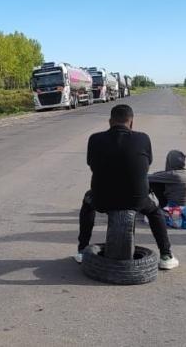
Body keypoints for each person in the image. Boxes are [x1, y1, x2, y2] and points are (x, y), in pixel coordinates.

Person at [76, 104, 179, 270]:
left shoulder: (94, 139)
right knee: (154, 212)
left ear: (110, 121)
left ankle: (82, 250)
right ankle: (166, 255)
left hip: (102, 199)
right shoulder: (143, 138)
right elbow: (147, 163)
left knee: (87, 204)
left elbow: (91, 164)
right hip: (137, 199)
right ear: (131, 122)